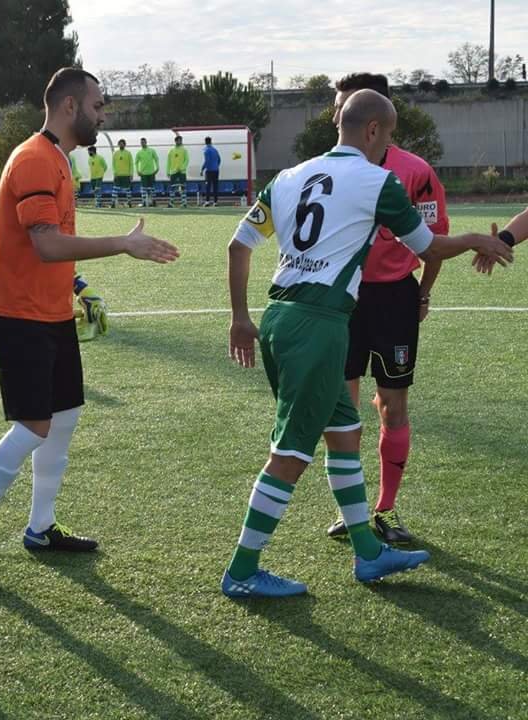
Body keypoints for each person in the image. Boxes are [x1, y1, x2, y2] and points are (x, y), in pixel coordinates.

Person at [223, 90, 513, 598]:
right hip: (318, 326)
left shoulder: (289, 176)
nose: (389, 146)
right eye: (389, 135)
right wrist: (477, 239)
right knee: (290, 454)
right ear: (374, 130)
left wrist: (241, 318)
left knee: (345, 432)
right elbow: (428, 246)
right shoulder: (379, 181)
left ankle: (369, 552)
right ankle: (242, 571)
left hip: (282, 317)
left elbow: (238, 245)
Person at [0, 68, 180, 580]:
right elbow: (46, 243)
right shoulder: (35, 158)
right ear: (70, 106)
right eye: (98, 106)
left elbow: (47, 244)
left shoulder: (56, 157)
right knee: (34, 425)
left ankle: (41, 526)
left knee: (65, 416)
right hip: (20, 314)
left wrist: (77, 286)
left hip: (52, 311)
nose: (103, 116)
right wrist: (123, 244)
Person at [324, 73, 449, 544]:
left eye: (345, 107)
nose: (338, 116)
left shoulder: (415, 171)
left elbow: (434, 241)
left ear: (375, 118)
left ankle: (386, 509)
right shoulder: (326, 169)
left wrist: (423, 294)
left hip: (395, 299)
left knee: (393, 407)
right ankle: (352, 511)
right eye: (338, 107)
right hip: (342, 299)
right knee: (342, 410)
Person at [135, 137, 160, 207]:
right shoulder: (139, 152)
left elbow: (156, 159)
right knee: (144, 189)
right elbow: (136, 162)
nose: (142, 143)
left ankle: (153, 202)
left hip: (151, 172)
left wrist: (157, 168)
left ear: (146, 142)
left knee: (152, 188)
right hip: (143, 173)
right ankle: (144, 202)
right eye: (141, 142)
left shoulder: (151, 150)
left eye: (143, 142)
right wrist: (137, 170)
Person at [166, 135, 189, 208]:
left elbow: (187, 160)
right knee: (173, 188)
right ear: (175, 141)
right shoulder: (171, 151)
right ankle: (171, 203)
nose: (180, 142)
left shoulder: (184, 150)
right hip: (173, 172)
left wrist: (182, 168)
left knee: (183, 187)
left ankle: (184, 203)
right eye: (178, 140)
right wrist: (168, 171)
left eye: (181, 140)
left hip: (182, 172)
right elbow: (168, 162)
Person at [111, 138, 133, 207]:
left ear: (125, 145)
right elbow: (113, 164)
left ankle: (129, 203)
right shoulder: (115, 153)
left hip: (126, 175)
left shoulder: (128, 153)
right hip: (118, 175)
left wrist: (131, 174)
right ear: (118, 145)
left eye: (122, 144)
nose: (121, 145)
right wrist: (114, 173)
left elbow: (131, 164)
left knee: (128, 190)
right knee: (115, 189)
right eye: (120, 144)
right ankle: (113, 203)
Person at [201, 136, 221, 206]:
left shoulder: (206, 150)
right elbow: (219, 159)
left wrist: (202, 169)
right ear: (211, 141)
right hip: (216, 170)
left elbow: (207, 161)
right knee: (215, 186)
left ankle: (207, 201)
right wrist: (216, 166)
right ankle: (215, 202)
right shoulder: (215, 150)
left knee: (208, 186)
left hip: (209, 171)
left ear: (205, 142)